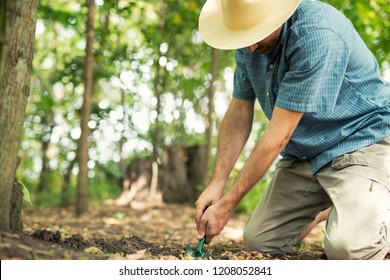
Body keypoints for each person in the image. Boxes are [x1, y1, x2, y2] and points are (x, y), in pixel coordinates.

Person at [194, 0, 390, 260]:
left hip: (362, 139)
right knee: (259, 242)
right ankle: (339, 207)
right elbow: (240, 110)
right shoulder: (248, 45)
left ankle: (373, 207)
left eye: (255, 34)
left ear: (277, 16)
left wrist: (227, 204)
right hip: (308, 153)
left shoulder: (317, 35)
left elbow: (278, 136)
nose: (250, 47)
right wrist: (217, 184)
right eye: (244, 38)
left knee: (349, 250)